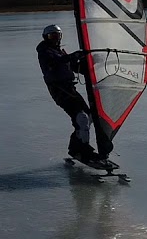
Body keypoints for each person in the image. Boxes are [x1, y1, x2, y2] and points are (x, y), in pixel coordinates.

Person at [37, 24, 104, 162]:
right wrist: (73, 56)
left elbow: (74, 67)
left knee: (89, 116)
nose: (55, 39)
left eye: (57, 36)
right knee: (81, 118)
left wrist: (92, 62)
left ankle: (76, 148)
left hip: (70, 89)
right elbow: (55, 62)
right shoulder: (44, 52)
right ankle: (84, 151)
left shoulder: (60, 52)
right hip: (59, 90)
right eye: (52, 36)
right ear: (46, 37)